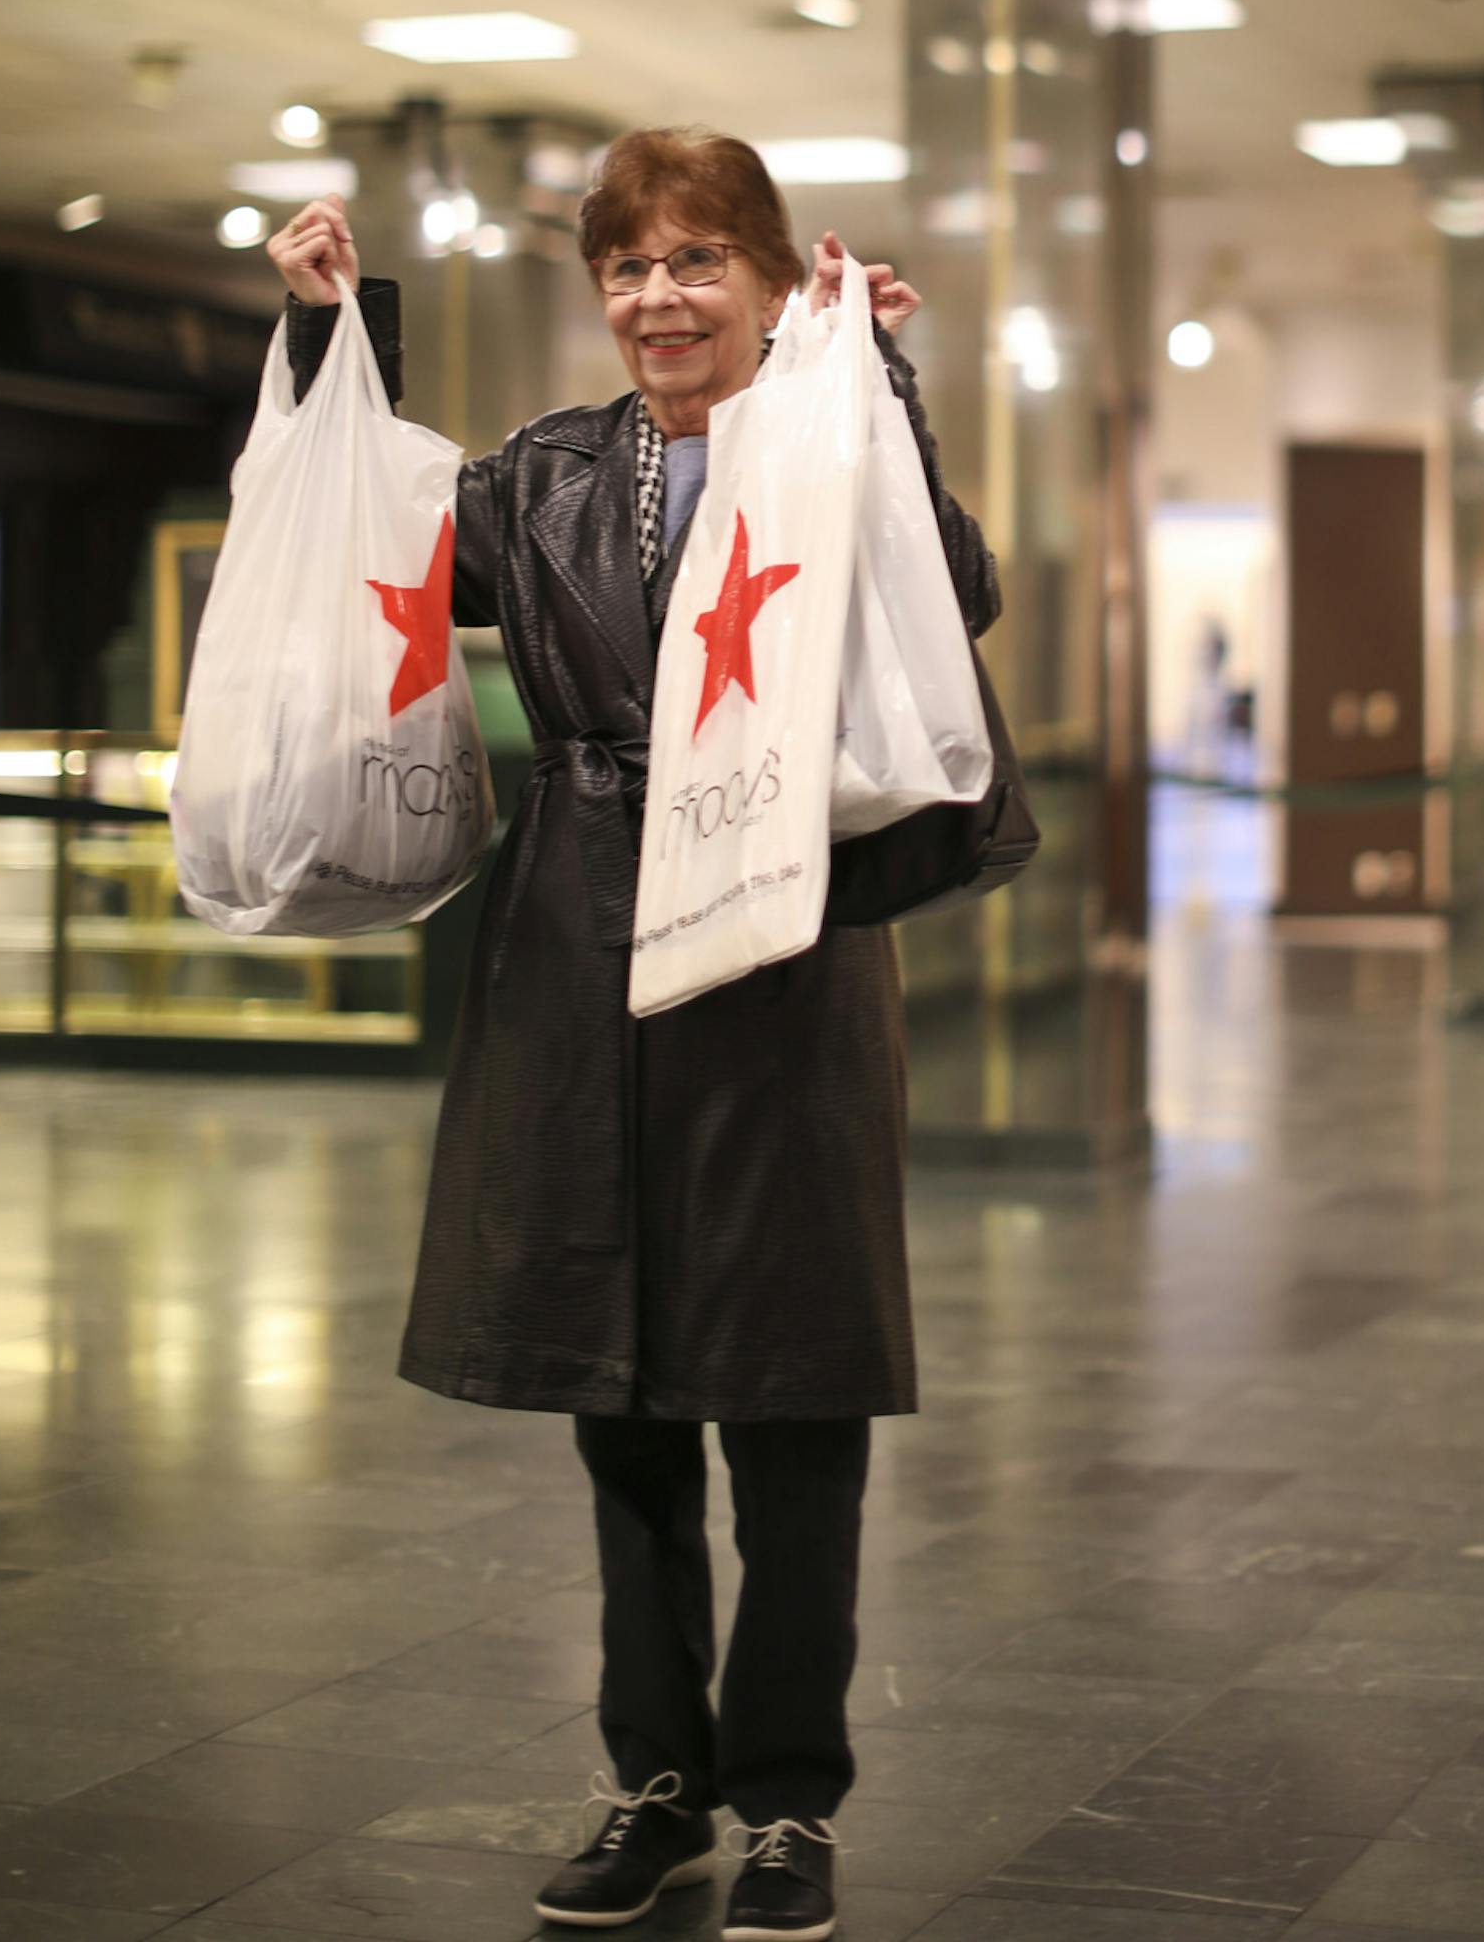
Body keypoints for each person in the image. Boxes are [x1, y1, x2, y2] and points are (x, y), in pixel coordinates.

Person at [267, 129, 1000, 1938]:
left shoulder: (829, 434)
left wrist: (881, 381)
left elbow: (954, 589)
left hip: (783, 933)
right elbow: (380, 552)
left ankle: (790, 1805)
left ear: (765, 280)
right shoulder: (542, 476)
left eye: (696, 263)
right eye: (627, 268)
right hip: (580, 929)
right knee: (621, 1380)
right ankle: (659, 1783)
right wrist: (332, 346)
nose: (658, 299)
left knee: (793, 1380)